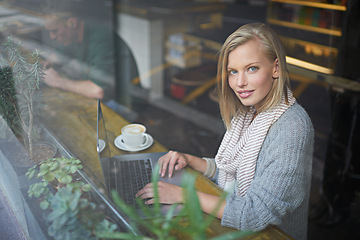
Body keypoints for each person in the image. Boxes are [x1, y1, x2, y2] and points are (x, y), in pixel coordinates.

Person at [136, 23, 314, 240]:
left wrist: (182, 195)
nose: (240, 83)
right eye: (233, 71)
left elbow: (254, 214)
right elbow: (233, 174)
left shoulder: (292, 127)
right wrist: (192, 160)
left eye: (252, 68)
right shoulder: (251, 112)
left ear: (275, 68)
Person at [41, 0, 138, 106]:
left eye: (54, 31)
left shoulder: (101, 39)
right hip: (106, 99)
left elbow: (97, 90)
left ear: (72, 23)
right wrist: (47, 63)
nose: (52, 37)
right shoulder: (73, 36)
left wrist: (58, 81)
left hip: (124, 105)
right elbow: (57, 55)